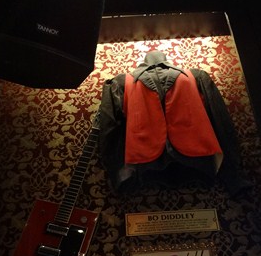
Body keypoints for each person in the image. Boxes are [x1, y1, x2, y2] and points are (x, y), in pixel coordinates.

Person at [99, 50, 250, 195]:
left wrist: (118, 177)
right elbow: (221, 123)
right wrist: (234, 177)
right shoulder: (196, 76)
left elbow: (108, 131)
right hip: (197, 161)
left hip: (143, 165)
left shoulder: (119, 82)